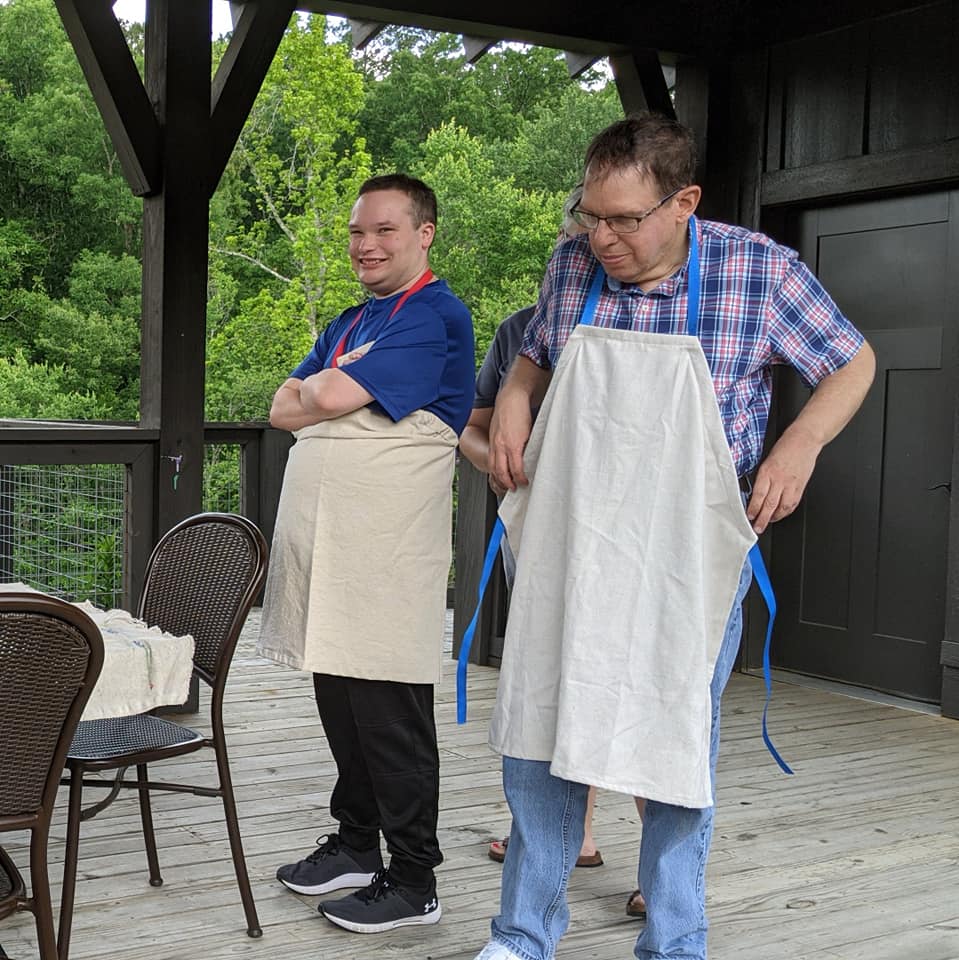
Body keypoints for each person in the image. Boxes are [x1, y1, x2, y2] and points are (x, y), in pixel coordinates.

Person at [472, 114, 875, 960]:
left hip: (686, 553)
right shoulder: (570, 263)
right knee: (541, 732)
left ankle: (673, 940)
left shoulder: (759, 272)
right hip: (574, 539)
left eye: (624, 219)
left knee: (673, 740)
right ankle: (521, 937)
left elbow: (851, 361)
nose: (601, 238)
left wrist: (798, 443)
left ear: (683, 201)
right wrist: (513, 397)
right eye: (589, 215)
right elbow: (535, 354)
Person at [256, 173, 474, 935]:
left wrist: (321, 397)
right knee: (341, 702)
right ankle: (355, 844)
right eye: (356, 232)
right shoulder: (354, 320)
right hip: (335, 549)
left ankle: (413, 878)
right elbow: (287, 404)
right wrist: (321, 395)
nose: (365, 245)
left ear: (424, 233)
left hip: (383, 552)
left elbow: (318, 402)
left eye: (384, 230)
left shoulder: (434, 315)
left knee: (388, 711)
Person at [461, 186, 649, 914]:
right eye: (584, 230)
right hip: (540, 529)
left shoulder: (670, 313)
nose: (596, 244)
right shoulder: (517, 334)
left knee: (639, 688)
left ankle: (655, 878)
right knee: (553, 677)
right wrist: (497, 465)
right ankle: (573, 837)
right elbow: (471, 427)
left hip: (634, 533)